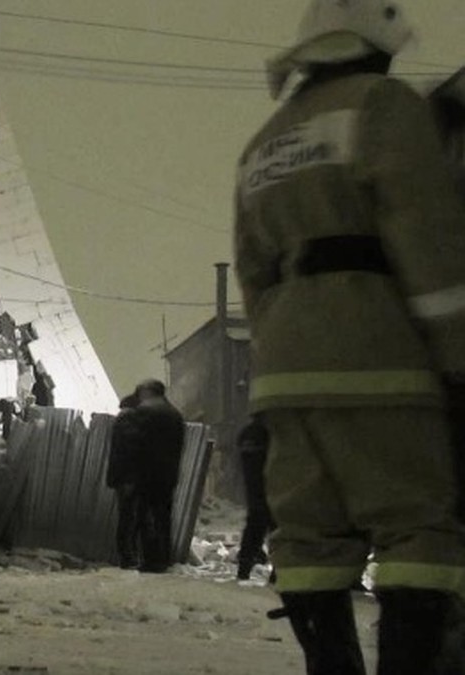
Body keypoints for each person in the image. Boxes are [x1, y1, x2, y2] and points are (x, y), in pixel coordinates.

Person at [234, 1, 465, 672]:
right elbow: (430, 242)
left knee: (308, 541)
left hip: (285, 376)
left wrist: (278, 356)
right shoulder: (386, 107)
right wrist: (457, 358)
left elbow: (252, 272)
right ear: (374, 47)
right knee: (417, 529)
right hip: (378, 364)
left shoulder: (266, 141)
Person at [128, 379, 186, 573]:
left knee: (145, 517)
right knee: (163, 517)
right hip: (168, 474)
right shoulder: (175, 414)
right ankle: (165, 558)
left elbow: (136, 445)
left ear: (148, 392)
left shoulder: (145, 412)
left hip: (147, 473)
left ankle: (151, 560)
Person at [106, 392, 143, 569]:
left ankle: (129, 556)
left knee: (128, 518)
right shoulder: (128, 422)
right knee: (129, 519)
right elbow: (128, 453)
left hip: (125, 478)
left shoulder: (123, 421)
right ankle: (128, 557)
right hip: (128, 479)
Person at [235, 417, 274, 581]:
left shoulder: (247, 433)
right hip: (272, 490)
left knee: (253, 529)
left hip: (255, 491)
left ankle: (243, 569)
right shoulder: (273, 433)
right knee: (276, 530)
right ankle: (278, 573)